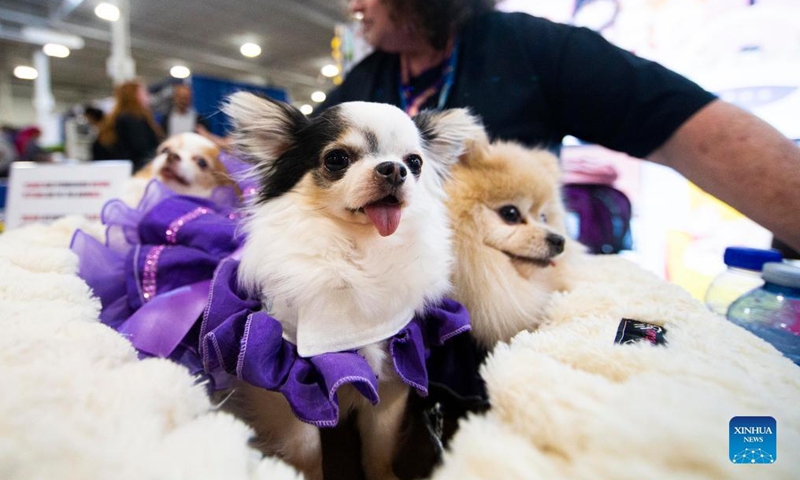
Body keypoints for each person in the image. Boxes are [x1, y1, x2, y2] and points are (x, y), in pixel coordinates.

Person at [323, 0, 800, 254]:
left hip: (510, 296)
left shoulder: (531, 48)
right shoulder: (369, 78)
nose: (354, 6)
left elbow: (689, 126)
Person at [95, 81, 163, 172]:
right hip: (137, 173)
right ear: (134, 96)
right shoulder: (135, 119)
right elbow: (142, 150)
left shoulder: (113, 120)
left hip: (117, 172)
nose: (148, 95)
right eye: (143, 92)